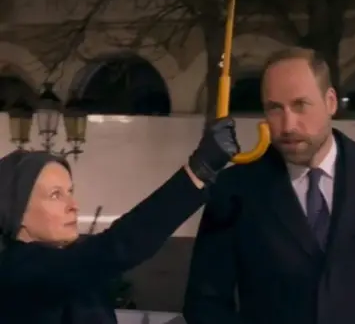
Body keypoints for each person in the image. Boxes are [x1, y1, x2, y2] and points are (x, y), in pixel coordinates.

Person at [183, 47, 355, 324]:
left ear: (330, 101)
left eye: (300, 105)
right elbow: (204, 303)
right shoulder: (234, 189)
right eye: (274, 108)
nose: (287, 125)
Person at [0, 117, 240, 324]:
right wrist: (199, 171)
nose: (74, 206)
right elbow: (117, 246)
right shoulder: (18, 270)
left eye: (70, 191)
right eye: (55, 195)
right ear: (17, 210)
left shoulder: (63, 267)